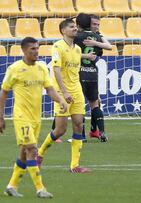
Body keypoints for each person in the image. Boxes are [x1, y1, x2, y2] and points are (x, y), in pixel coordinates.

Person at [0, 37, 67, 198]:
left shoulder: (42, 68)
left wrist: (61, 100)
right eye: (32, 49)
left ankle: (11, 185)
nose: (36, 51)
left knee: (24, 152)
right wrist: (0, 117)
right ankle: (40, 188)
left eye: (37, 48)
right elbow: (4, 93)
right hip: (21, 116)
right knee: (32, 150)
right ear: (24, 50)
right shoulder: (15, 69)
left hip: (36, 118)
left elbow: (50, 89)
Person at [36, 19, 96, 173]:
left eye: (75, 26)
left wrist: (87, 57)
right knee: (60, 130)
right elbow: (56, 70)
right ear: (63, 30)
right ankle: (40, 153)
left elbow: (75, 62)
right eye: (71, 27)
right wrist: (64, 91)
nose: (75, 28)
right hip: (62, 93)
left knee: (78, 125)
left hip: (77, 91)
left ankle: (74, 166)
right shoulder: (57, 46)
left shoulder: (76, 49)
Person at [74, 13, 111, 142]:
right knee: (95, 104)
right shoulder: (96, 37)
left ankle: (81, 136)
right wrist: (97, 38)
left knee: (79, 106)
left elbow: (71, 53)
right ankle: (102, 133)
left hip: (79, 73)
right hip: (92, 73)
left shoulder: (76, 37)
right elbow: (108, 47)